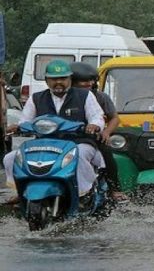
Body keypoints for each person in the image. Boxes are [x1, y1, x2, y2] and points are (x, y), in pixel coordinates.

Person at [3, 60, 106, 202]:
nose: (58, 82)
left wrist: (94, 125)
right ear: (46, 80)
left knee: (80, 155)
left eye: (63, 78)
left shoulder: (85, 96)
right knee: (10, 158)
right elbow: (25, 121)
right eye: (54, 79)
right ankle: (21, 192)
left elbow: (97, 117)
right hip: (43, 145)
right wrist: (18, 127)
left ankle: (83, 193)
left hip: (78, 142)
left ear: (70, 79)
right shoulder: (36, 98)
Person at [70, 62, 129, 202]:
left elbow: (114, 118)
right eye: (83, 81)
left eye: (91, 80)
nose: (88, 84)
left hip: (92, 138)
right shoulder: (64, 97)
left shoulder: (100, 97)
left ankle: (115, 189)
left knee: (107, 154)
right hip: (65, 137)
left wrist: (106, 132)